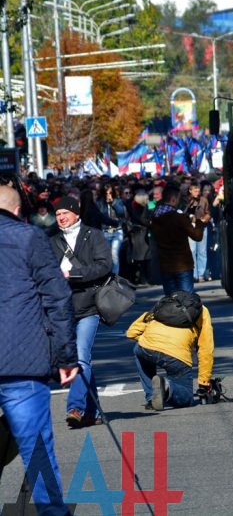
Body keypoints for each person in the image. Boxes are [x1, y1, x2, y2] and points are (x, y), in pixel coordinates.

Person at [0, 185, 79, 515]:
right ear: (18, 211)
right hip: (23, 361)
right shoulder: (29, 238)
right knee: (37, 452)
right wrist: (66, 357)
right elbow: (58, 299)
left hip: (21, 361)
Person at [49, 197, 113, 429]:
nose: (61, 217)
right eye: (57, 214)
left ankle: (74, 407)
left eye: (65, 213)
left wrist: (74, 275)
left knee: (81, 357)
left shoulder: (92, 235)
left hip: (88, 306)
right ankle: (93, 412)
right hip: (62, 309)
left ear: (77, 213)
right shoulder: (51, 239)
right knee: (82, 360)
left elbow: (104, 264)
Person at [126, 292, 214, 410]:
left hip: (146, 348)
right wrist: (204, 382)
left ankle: (152, 396)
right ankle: (166, 387)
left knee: (139, 350)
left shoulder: (165, 305)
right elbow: (206, 348)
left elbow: (131, 332)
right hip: (176, 357)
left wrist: (151, 342)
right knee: (186, 398)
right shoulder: (202, 312)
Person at [150, 184, 211, 295]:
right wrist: (198, 221)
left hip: (165, 266)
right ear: (173, 199)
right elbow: (197, 236)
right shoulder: (178, 218)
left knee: (171, 302)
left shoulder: (155, 219)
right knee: (186, 301)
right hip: (182, 265)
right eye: (178, 199)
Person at [96, 182, 128, 276]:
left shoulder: (117, 201)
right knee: (107, 256)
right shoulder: (99, 203)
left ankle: (115, 277)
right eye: (106, 193)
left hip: (117, 231)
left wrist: (113, 203)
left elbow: (121, 212)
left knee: (114, 253)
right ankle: (108, 276)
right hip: (105, 231)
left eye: (110, 193)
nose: (108, 195)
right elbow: (101, 216)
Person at [181, 181, 210, 283]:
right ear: (190, 191)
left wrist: (204, 219)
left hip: (202, 226)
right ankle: (193, 274)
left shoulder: (204, 200)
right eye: (195, 190)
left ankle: (201, 275)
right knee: (192, 250)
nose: (197, 192)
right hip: (191, 226)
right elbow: (183, 213)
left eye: (198, 190)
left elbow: (208, 213)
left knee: (202, 251)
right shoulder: (186, 201)